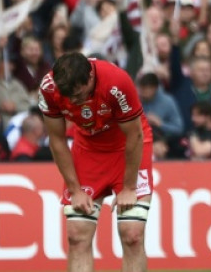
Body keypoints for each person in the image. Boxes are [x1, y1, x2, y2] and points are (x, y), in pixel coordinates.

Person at [39, 52, 153, 272]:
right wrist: (75, 190)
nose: (73, 102)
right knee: (77, 234)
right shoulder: (48, 88)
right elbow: (57, 140)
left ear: (90, 77)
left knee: (132, 234)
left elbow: (134, 136)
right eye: (68, 96)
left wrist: (129, 187)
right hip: (89, 148)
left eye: (79, 95)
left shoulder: (117, 82)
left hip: (127, 146)